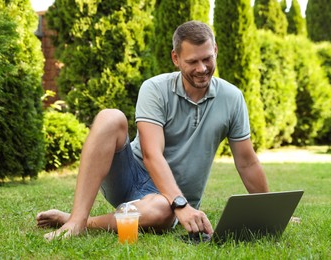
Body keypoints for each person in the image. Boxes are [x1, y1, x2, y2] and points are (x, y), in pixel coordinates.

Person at [36, 20, 269, 241]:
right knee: (110, 117)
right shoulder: (155, 89)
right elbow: (151, 154)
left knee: (161, 209)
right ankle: (75, 221)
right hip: (131, 177)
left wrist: (269, 210)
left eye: (207, 58)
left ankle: (86, 223)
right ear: (176, 58)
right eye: (192, 62)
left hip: (165, 203)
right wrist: (181, 205)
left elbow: (247, 162)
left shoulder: (232, 98)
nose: (202, 68)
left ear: (215, 50)